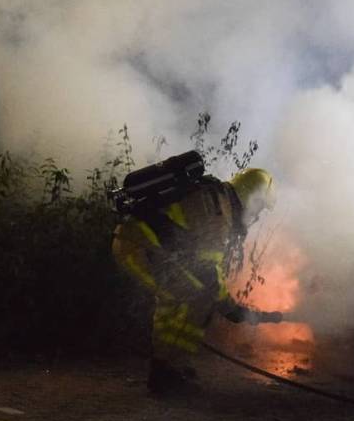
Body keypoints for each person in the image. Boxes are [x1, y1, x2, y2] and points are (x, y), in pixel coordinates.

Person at [112, 166, 280, 393]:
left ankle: (167, 367)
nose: (257, 215)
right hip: (140, 247)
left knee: (178, 298)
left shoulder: (216, 199)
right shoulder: (218, 215)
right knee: (200, 297)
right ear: (250, 197)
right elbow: (209, 272)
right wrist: (231, 309)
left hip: (137, 244)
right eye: (259, 206)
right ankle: (169, 373)